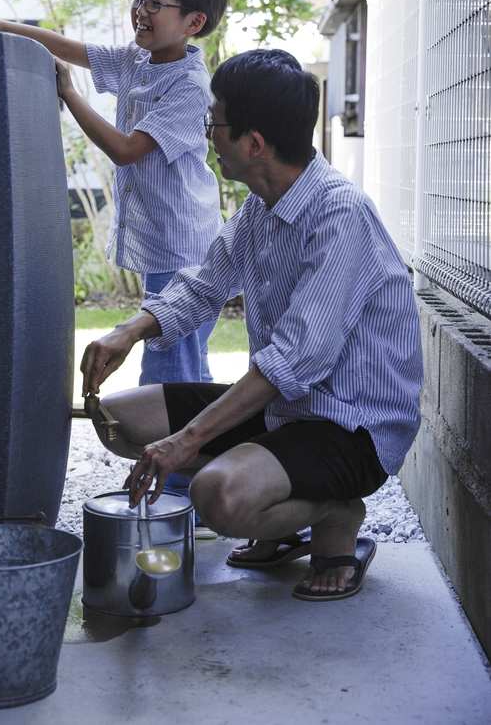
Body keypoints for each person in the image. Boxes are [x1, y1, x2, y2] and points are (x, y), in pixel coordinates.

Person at [80, 48, 424, 602]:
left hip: (350, 426)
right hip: (286, 410)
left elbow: (294, 360)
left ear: (254, 143)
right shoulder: (261, 207)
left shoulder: (340, 215)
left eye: (214, 121)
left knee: (218, 498)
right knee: (119, 420)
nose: (207, 133)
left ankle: (336, 515)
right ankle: (281, 520)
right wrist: (130, 330)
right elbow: (204, 285)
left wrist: (186, 442)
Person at [0, 0, 231, 386]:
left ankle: (163, 451)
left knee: (167, 374)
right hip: (168, 247)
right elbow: (70, 47)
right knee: (187, 369)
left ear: (194, 23)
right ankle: (193, 449)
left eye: (155, 3)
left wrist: (70, 93)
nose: (140, 10)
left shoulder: (190, 86)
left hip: (185, 251)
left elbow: (127, 149)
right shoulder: (135, 59)